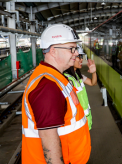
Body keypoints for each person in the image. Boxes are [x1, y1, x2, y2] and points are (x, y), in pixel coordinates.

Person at [21, 24, 91, 164]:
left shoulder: (56, 77)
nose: (76, 53)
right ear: (53, 51)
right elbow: (48, 138)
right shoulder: (47, 86)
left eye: (75, 49)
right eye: (72, 49)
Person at [64, 45, 97, 130]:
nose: (81, 59)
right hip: (77, 125)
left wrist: (94, 72)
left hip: (85, 122)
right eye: (78, 57)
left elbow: (93, 83)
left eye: (81, 56)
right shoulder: (68, 80)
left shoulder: (78, 76)